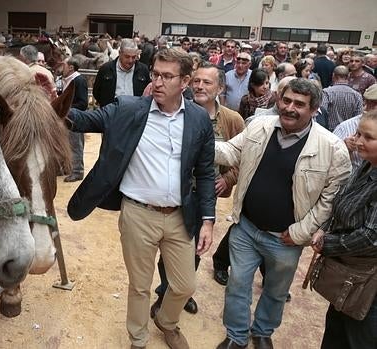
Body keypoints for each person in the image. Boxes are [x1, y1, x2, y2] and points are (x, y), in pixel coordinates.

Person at [67, 48, 216, 349]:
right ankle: (138, 338)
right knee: (140, 286)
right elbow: (83, 119)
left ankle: (166, 321)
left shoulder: (199, 119)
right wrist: (48, 102)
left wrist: (209, 220)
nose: (158, 82)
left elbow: (205, 173)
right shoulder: (128, 108)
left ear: (185, 82)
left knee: (184, 284)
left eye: (167, 76)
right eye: (155, 74)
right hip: (138, 215)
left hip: (179, 216)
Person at [215, 78, 351, 349]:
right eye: (286, 100)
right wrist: (192, 139)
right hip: (246, 229)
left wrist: (300, 233)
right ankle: (236, 336)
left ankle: (263, 331)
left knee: (276, 292)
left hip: (286, 240)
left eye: (299, 104)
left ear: (314, 110)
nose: (290, 108)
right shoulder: (259, 126)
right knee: (237, 287)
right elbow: (230, 152)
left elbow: (329, 201)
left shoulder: (333, 149)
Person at [150, 62, 245, 316]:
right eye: (197, 82)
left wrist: (228, 179)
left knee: (194, 249)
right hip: (172, 194)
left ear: (220, 88)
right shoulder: (175, 110)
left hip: (203, 197)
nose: (200, 87)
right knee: (168, 249)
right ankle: (165, 292)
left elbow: (242, 157)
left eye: (207, 83)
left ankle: (181, 293)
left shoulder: (232, 120)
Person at [311, 109, 377, 349]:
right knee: (336, 333)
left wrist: (327, 243)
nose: (358, 140)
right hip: (349, 276)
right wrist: (326, 228)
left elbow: (372, 237)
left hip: (367, 283)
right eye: (358, 133)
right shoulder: (365, 166)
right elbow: (342, 200)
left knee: (359, 338)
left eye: (368, 137)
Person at [92, 38, 150, 107]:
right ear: (120, 53)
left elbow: (148, 93)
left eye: (134, 57)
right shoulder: (106, 69)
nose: (130, 60)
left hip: (135, 114)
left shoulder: (143, 70)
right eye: (127, 57)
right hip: (111, 113)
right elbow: (96, 92)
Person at [333, 83, 377, 171]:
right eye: (373, 103)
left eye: (368, 137)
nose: (359, 142)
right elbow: (330, 162)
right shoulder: (345, 128)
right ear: (366, 102)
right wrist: (345, 148)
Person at [60, 58, 89, 182]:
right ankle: (67, 168)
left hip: (75, 118)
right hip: (67, 117)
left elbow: (83, 103)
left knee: (75, 144)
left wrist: (66, 108)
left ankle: (77, 171)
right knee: (66, 143)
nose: (63, 68)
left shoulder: (79, 80)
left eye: (64, 65)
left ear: (71, 67)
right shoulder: (68, 80)